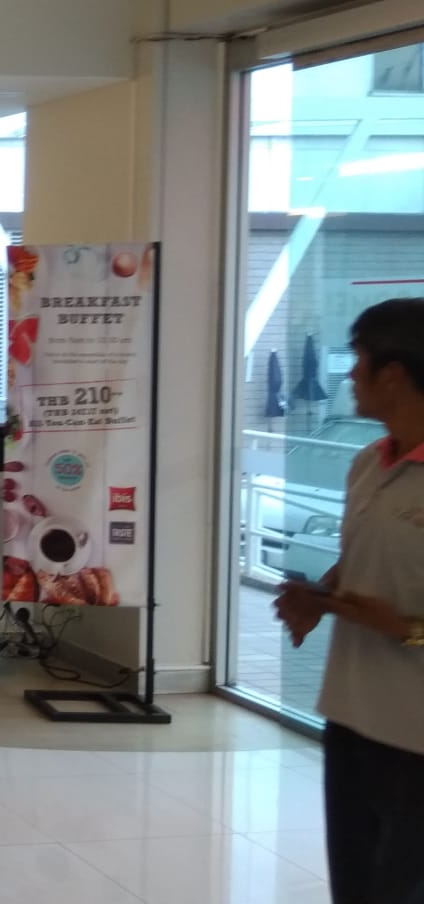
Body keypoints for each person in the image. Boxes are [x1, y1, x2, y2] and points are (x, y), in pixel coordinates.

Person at [275, 298, 424, 904]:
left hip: (416, 735)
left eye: (359, 359)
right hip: (351, 717)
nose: (350, 373)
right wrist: (320, 595)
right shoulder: (368, 462)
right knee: (356, 887)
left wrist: (408, 627)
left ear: (394, 374)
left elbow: (404, 618)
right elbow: (363, 558)